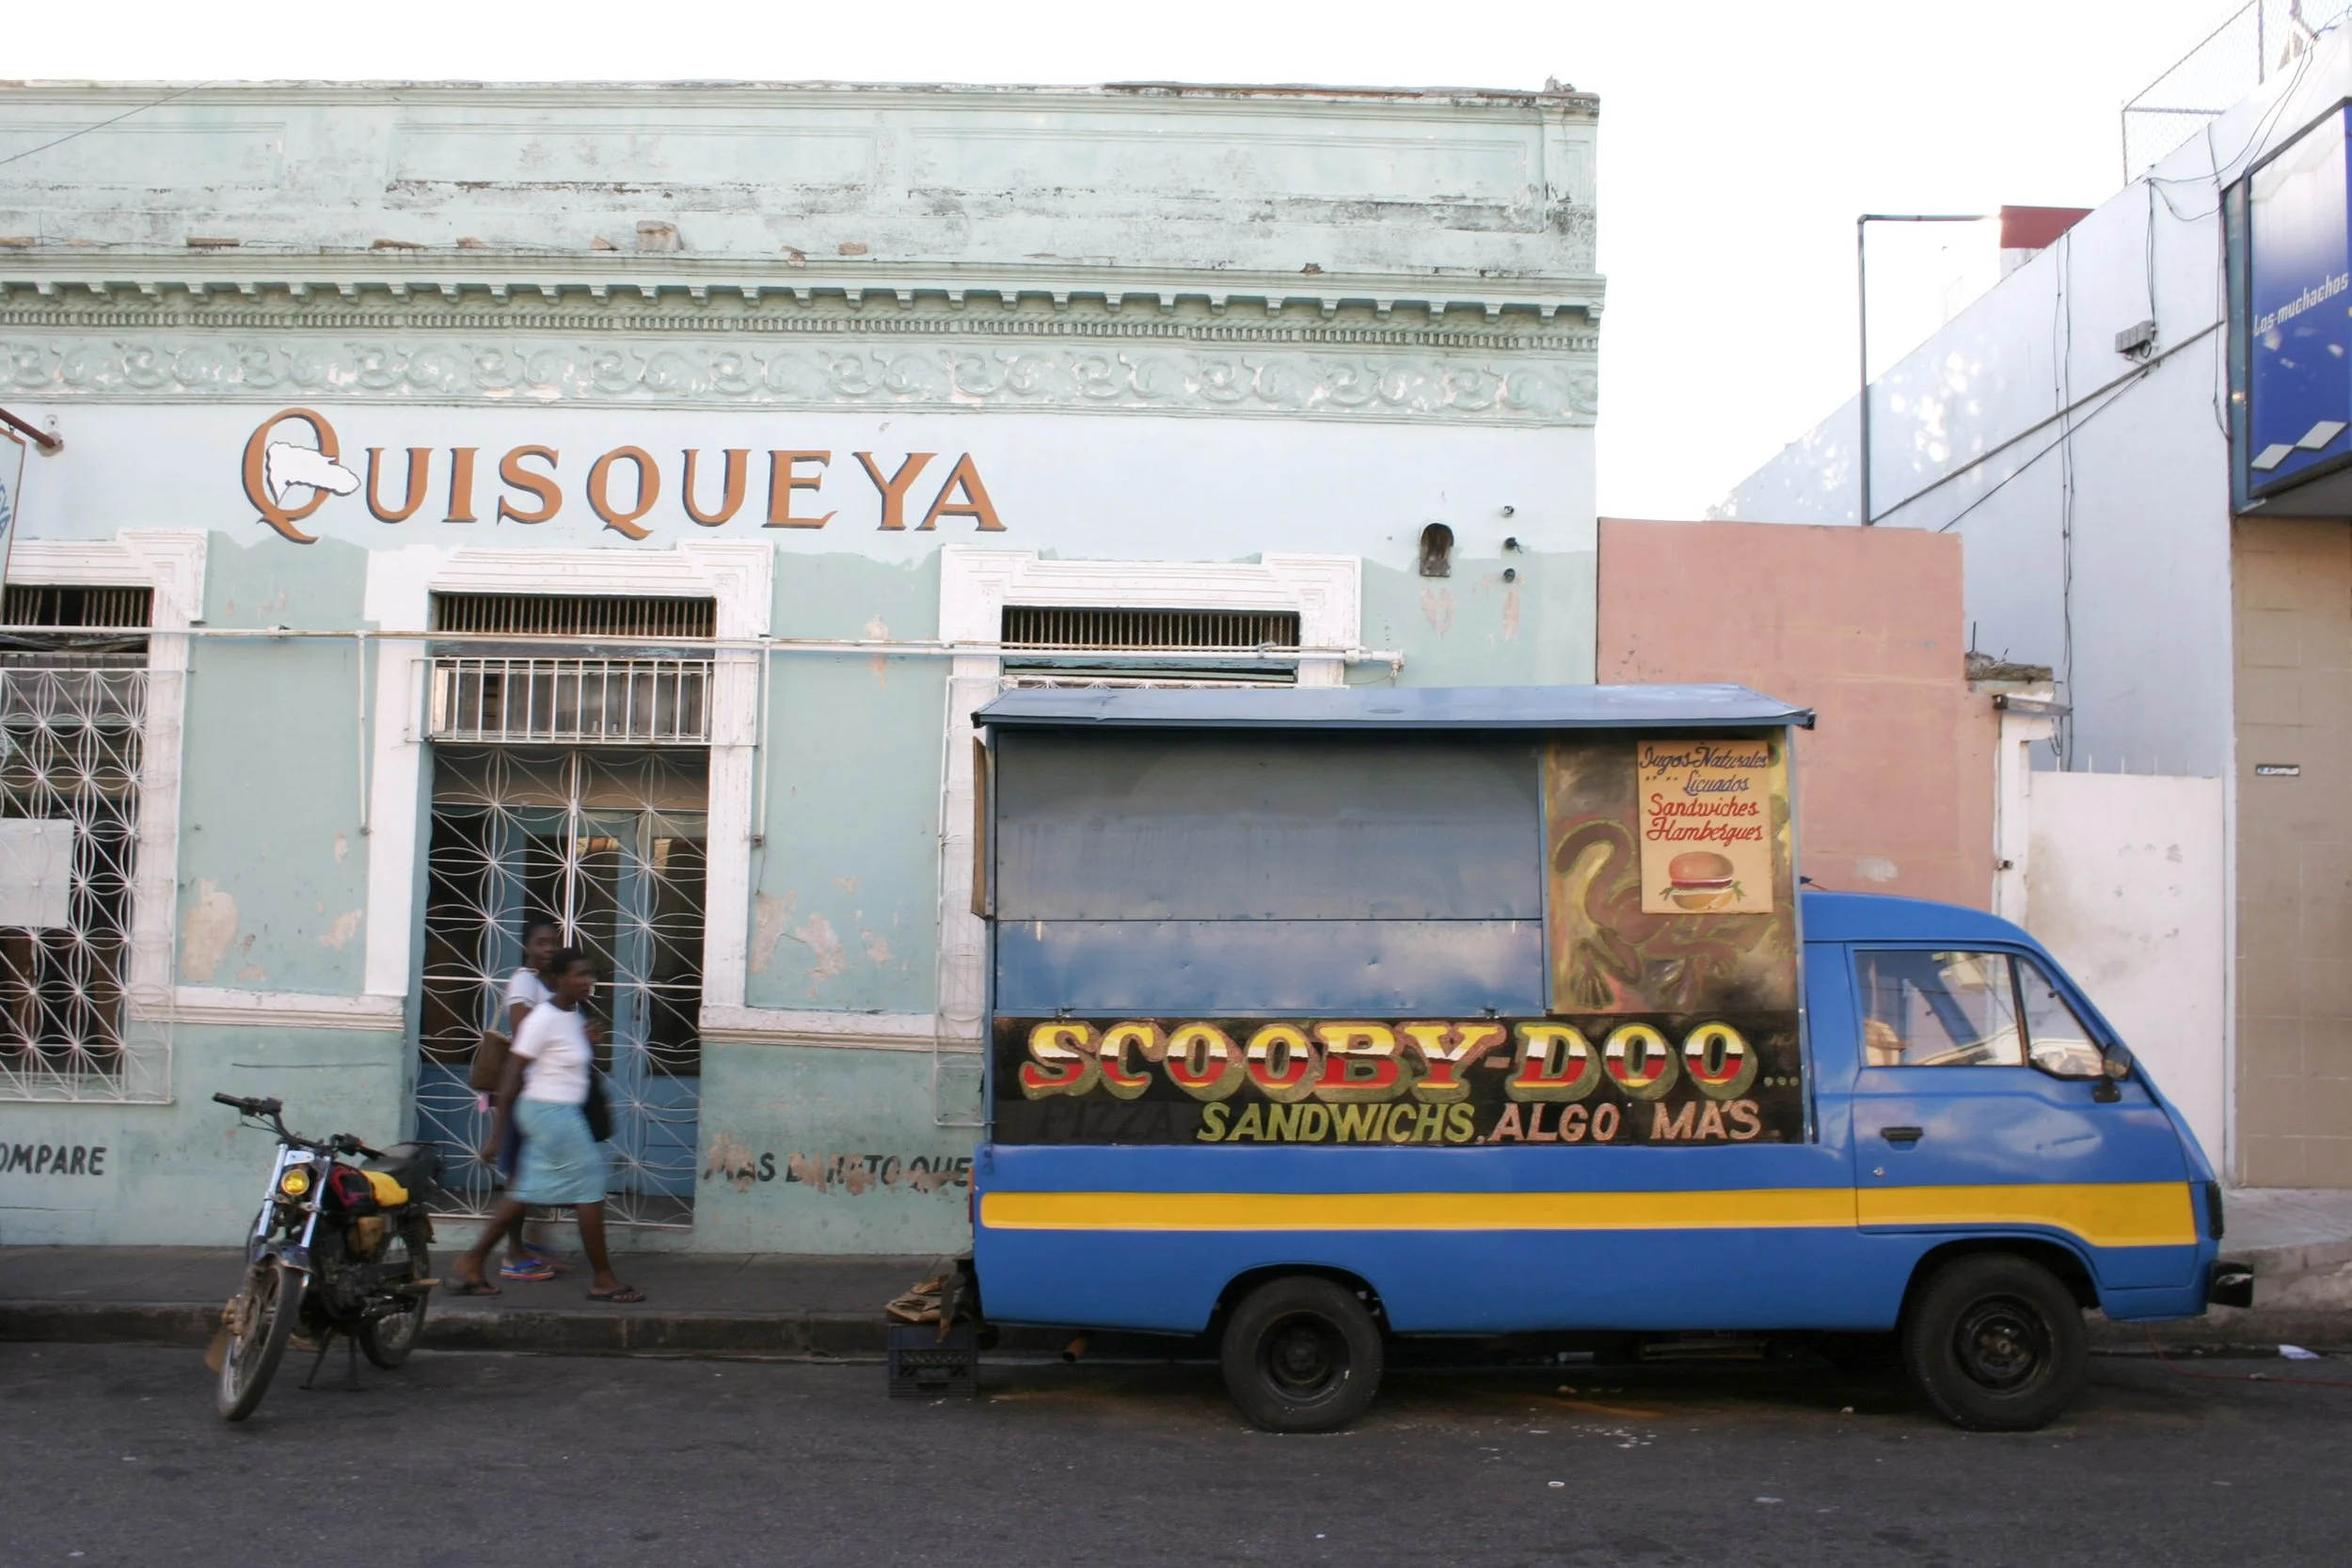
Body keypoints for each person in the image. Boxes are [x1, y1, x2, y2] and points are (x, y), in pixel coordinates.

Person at [452, 948, 644, 1304]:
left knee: (524, 1192)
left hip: (559, 1113)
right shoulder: (542, 1018)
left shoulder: (573, 1015)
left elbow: (563, 1062)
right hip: (550, 1114)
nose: (587, 981)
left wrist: (587, 1042)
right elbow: (511, 1077)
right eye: (579, 974)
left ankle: (471, 1262)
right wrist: (498, 1136)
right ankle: (603, 1280)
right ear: (557, 979)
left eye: (590, 974)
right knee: (590, 1189)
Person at [489, 917, 564, 1283]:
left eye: (553, 943)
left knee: (531, 1172)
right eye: (541, 943)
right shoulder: (523, 982)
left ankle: (528, 1244)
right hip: (525, 1091)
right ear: (527, 946)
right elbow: (524, 1035)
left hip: (545, 1091)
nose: (548, 949)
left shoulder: (545, 984)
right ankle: (513, 1254)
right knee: (519, 1176)